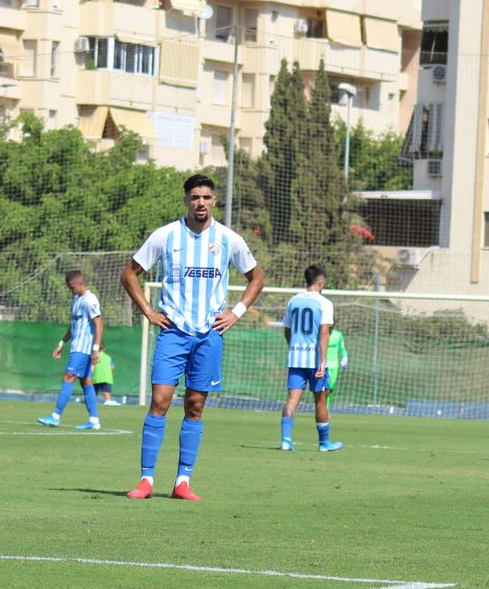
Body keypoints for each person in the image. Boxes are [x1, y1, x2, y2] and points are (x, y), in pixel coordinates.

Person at [120, 173, 265, 501]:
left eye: (207, 197)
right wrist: (148, 311)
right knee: (160, 401)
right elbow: (129, 274)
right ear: (186, 200)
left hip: (209, 336)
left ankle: (182, 481)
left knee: (196, 405)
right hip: (173, 333)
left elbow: (256, 278)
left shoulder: (229, 239)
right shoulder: (166, 236)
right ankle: (146, 480)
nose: (201, 203)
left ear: (215, 201)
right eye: (195, 197)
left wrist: (236, 313)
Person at [279, 264, 343, 453]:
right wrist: (323, 361)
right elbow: (324, 332)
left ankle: (285, 440)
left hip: (296, 358)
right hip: (315, 361)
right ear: (321, 282)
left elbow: (287, 330)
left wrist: (293, 348)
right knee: (320, 401)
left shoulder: (293, 301)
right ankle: (324, 443)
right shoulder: (324, 303)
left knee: (292, 400)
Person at [37, 269, 103, 431]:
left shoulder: (89, 299)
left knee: (68, 377)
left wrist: (95, 349)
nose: (71, 290)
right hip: (77, 347)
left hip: (84, 348)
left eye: (72, 287)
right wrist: (62, 343)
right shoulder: (76, 300)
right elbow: (73, 326)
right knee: (86, 381)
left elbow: (99, 324)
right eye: (69, 288)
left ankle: (55, 416)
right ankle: (94, 420)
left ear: (80, 283)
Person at [326, 324, 349, 402]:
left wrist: (345, 358)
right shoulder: (321, 333)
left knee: (331, 388)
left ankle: (327, 407)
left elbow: (342, 348)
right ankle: (323, 408)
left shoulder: (338, 335)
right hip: (323, 365)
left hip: (334, 365)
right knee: (324, 388)